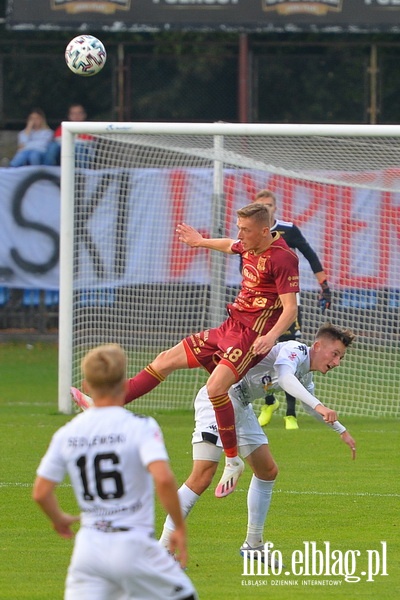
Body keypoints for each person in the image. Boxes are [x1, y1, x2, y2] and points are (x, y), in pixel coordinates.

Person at [72, 202, 301, 499]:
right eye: (238, 227)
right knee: (164, 360)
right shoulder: (248, 245)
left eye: (244, 229)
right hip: (228, 327)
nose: (238, 233)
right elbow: (228, 244)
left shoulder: (283, 258)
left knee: (215, 388)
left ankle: (232, 460)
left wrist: (270, 337)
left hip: (250, 337)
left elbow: (291, 308)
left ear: (263, 229)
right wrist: (199, 241)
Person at [158, 323, 356, 563]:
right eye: (335, 354)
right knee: (202, 476)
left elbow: (307, 403)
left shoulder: (304, 371)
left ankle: (253, 544)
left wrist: (341, 430)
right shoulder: (295, 350)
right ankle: (163, 550)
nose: (336, 362)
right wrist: (319, 406)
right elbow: (285, 379)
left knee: (267, 471)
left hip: (241, 406)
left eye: (341, 357)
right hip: (218, 401)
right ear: (317, 346)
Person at [33, 343, 197, 600]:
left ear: (86, 386)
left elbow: (41, 492)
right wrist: (178, 526)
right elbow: (163, 478)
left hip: (88, 549)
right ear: (124, 384)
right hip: (133, 545)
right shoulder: (140, 426)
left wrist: (59, 519)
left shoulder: (68, 432)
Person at [253, 189, 332, 431]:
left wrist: (324, 286)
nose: (266, 208)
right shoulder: (252, 234)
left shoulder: (288, 230)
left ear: (275, 208)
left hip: (288, 303)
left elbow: (310, 256)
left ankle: (290, 413)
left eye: (269, 205)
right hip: (262, 304)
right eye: (261, 205)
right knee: (258, 352)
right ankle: (268, 401)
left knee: (290, 352)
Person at [44, 103, 94, 168]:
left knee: (78, 146)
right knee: (53, 146)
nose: (76, 116)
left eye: (79, 113)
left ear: (84, 115)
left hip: (84, 155)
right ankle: (48, 171)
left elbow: (88, 143)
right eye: (73, 113)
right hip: (63, 154)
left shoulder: (89, 128)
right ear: (69, 115)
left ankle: (82, 173)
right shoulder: (63, 127)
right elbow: (57, 141)